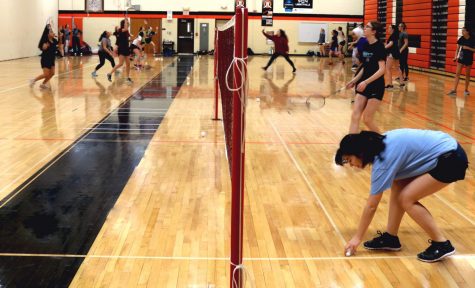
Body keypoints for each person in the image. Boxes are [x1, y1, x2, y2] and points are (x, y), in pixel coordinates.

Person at [335, 129, 468, 262]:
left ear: (360, 152)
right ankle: (391, 238)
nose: (351, 165)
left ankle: (441, 244)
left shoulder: (383, 162)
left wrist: (357, 238)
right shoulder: (380, 144)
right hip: (448, 149)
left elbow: (371, 206)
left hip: (451, 158)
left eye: (349, 159)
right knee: (398, 184)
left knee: (406, 199)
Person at [345, 21, 386, 133]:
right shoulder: (366, 45)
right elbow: (365, 67)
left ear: (374, 31)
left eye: (367, 27)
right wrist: (354, 80)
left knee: (367, 119)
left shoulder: (380, 47)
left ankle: (383, 141)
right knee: (355, 115)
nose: (364, 28)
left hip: (376, 85)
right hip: (363, 84)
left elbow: (382, 70)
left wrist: (366, 82)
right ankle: (351, 145)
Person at [447, 27, 474, 96]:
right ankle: (454, 90)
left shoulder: (472, 39)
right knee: (457, 73)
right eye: (462, 30)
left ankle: (466, 90)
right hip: (461, 57)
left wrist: (468, 48)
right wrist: (455, 57)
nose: (462, 32)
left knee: (467, 75)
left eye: (463, 31)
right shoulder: (461, 38)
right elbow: (457, 49)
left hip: (469, 58)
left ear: (467, 32)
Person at [30, 25, 58, 89]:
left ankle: (43, 84)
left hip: (52, 59)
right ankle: (33, 80)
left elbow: (59, 44)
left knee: (52, 73)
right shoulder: (45, 41)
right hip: (45, 59)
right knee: (46, 74)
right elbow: (43, 48)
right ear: (47, 34)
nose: (53, 33)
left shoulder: (54, 40)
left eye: (53, 32)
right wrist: (45, 47)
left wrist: (61, 37)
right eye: (51, 32)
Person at [108, 18, 133, 84]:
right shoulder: (120, 30)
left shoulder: (126, 31)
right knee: (121, 63)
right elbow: (126, 28)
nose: (127, 24)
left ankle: (127, 78)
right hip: (121, 48)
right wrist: (126, 20)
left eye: (127, 23)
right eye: (126, 23)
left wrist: (131, 40)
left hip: (126, 48)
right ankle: (110, 73)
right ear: (123, 24)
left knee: (128, 64)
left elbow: (126, 38)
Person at [384, 25, 399, 89]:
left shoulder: (392, 36)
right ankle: (401, 82)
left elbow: (391, 44)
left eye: (389, 27)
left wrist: (383, 48)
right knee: (397, 67)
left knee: (388, 68)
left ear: (392, 29)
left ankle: (390, 84)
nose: (388, 28)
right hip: (395, 53)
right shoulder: (395, 35)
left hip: (391, 54)